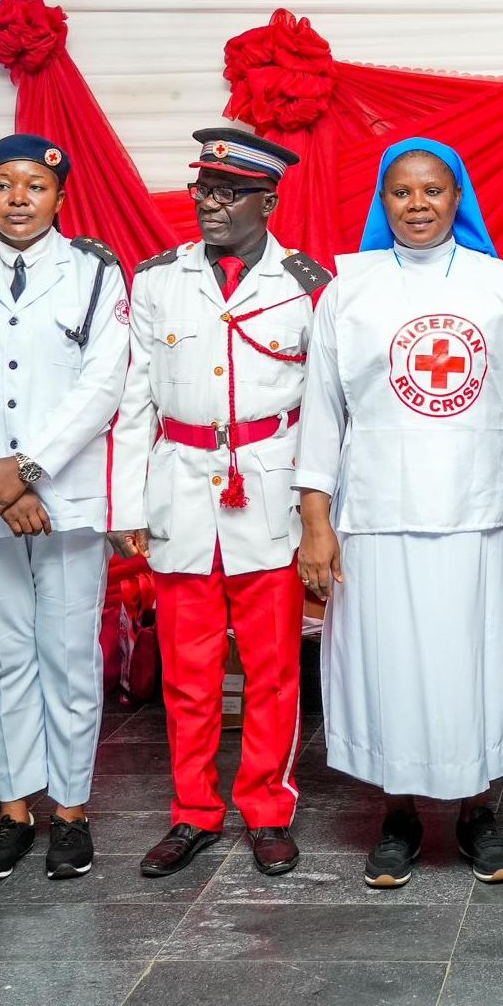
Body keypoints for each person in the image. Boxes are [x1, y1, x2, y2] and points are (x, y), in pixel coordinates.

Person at [295, 138, 503, 889]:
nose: (417, 205)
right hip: (375, 509)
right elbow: (320, 408)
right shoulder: (349, 288)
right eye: (401, 192)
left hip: (479, 507)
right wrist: (315, 518)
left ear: (457, 197)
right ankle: (398, 812)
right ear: (383, 200)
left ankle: (475, 809)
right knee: (390, 665)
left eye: (433, 191)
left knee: (473, 661)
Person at [110, 128, 330, 880]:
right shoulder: (156, 280)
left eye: (228, 191)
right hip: (179, 484)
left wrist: (316, 511)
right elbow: (133, 400)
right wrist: (124, 505)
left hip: (268, 489)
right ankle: (193, 811)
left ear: (267, 201)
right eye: (203, 187)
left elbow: (325, 410)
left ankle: (267, 809)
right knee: (188, 672)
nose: (209, 202)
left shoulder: (305, 284)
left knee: (273, 669)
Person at [0, 134, 128, 883]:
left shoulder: (95, 274)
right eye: (2, 184)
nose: (17, 197)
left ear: (59, 196)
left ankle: (69, 810)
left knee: (69, 652)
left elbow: (103, 383)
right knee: (5, 652)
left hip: (64, 494)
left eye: (33, 185)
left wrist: (29, 469)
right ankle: (14, 810)